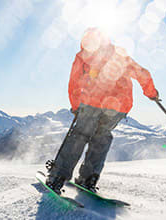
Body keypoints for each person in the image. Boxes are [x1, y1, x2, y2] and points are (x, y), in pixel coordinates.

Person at [46, 27, 159, 194]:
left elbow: (74, 84)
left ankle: (57, 178)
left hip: (92, 102)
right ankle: (88, 179)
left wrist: (76, 106)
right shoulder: (119, 55)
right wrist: (152, 93)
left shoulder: (83, 56)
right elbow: (142, 73)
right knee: (101, 137)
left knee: (79, 136)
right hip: (118, 106)